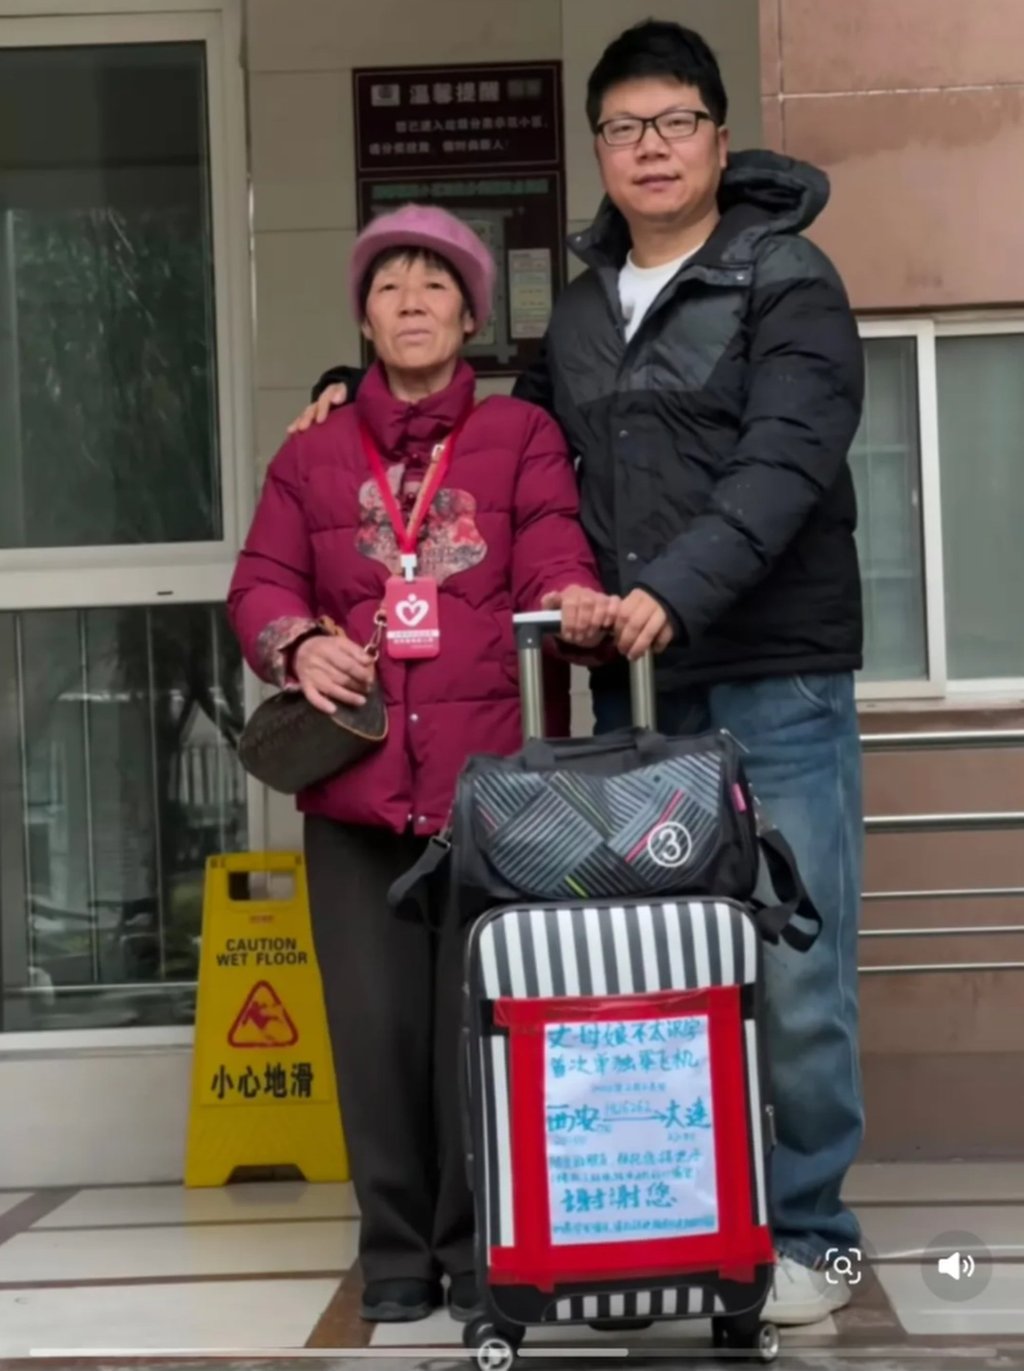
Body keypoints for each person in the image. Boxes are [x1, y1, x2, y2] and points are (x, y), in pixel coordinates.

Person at [289, 20, 866, 1328]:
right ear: (598, 151)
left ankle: (815, 1226)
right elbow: (512, 441)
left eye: (674, 123)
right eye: (623, 129)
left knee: (794, 968)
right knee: (654, 962)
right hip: (632, 695)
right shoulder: (587, 301)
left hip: (773, 675)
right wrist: (355, 390)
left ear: (722, 138)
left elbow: (784, 463)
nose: (649, 148)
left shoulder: (789, 279)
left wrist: (672, 590)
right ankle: (681, 1218)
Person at [229, 204, 616, 1325]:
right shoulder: (309, 454)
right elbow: (259, 580)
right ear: (362, 313)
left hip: (487, 789)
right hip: (353, 794)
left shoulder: (517, 441)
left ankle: (479, 1246)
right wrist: (295, 641)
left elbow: (548, 543)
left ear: (470, 317)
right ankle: (395, 1247)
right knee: (372, 1030)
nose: (410, 302)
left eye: (434, 286)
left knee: (478, 1023)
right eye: (389, 285)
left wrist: (568, 597)